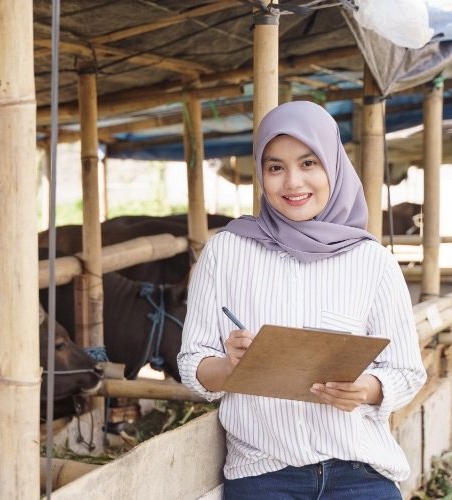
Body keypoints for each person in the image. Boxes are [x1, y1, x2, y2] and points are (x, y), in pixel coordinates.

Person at [177, 100, 426, 499]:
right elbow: (192, 362)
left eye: (308, 163)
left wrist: (366, 388)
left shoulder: (372, 261)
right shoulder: (225, 252)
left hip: (359, 473)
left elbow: (407, 371)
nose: (292, 182)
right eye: (275, 167)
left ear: (334, 164)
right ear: (260, 172)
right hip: (263, 474)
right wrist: (228, 366)